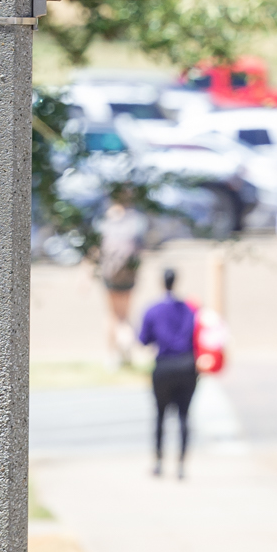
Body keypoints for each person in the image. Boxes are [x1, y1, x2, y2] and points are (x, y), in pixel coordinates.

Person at [138, 267, 198, 479]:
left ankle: (158, 462)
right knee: (183, 415)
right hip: (187, 365)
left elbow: (143, 340)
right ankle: (181, 465)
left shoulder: (153, 310)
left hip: (163, 366)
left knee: (160, 415)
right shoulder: (190, 310)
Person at [97, 191, 148, 366]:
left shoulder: (104, 220)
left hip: (109, 273)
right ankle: (127, 347)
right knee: (125, 315)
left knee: (112, 314)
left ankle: (112, 355)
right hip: (129, 274)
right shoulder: (135, 220)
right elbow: (142, 248)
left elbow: (95, 248)